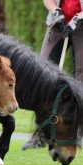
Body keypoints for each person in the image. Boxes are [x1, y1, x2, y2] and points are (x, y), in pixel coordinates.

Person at [22, 0, 83, 150]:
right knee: (42, 75)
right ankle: (40, 133)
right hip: (57, 24)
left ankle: (76, 132)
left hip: (81, 27)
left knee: (80, 77)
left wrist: (78, 18)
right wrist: (56, 12)